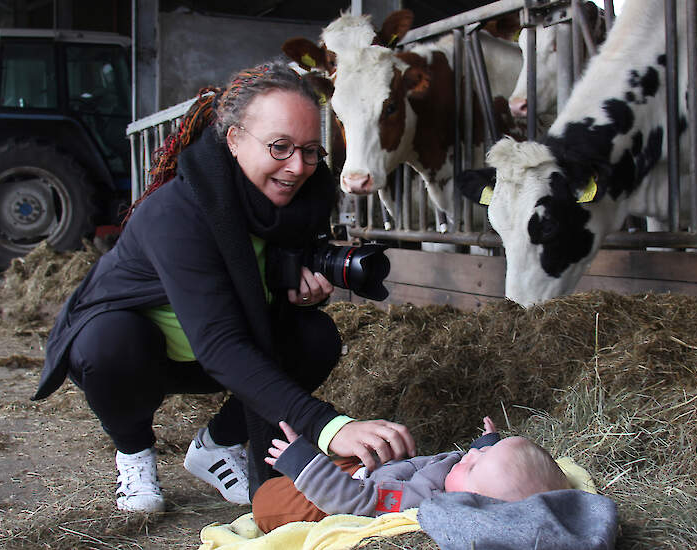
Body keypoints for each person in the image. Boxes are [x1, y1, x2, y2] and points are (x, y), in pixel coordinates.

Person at [33, 61, 415, 513]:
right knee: (106, 344)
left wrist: (289, 290)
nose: (297, 166)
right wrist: (329, 427)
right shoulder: (177, 213)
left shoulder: (302, 200)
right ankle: (133, 451)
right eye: (279, 147)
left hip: (225, 349)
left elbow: (254, 294)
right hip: (148, 354)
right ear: (233, 140)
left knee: (315, 337)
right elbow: (219, 342)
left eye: (310, 150)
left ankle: (216, 445)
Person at [252, 416, 570, 532]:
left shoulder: (423, 502)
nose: (470, 454)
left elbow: (356, 501)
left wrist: (304, 465)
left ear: (473, 503)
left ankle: (267, 494)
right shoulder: (464, 477)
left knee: (265, 502)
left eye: (475, 464)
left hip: (335, 496)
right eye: (482, 453)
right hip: (375, 471)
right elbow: (484, 468)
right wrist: (489, 444)